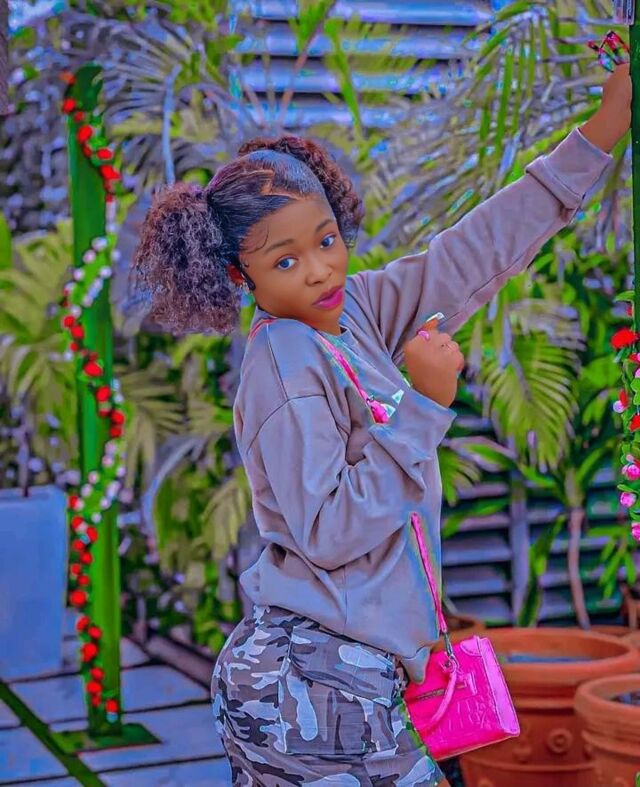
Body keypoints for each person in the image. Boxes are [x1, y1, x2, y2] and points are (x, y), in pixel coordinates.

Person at [131, 64, 631, 786]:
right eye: (285, 259)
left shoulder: (353, 312)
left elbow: (472, 253)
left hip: (369, 668)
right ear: (241, 277)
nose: (319, 270)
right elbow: (329, 529)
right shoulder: (284, 363)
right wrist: (424, 405)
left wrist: (602, 131)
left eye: (326, 239)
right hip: (317, 683)